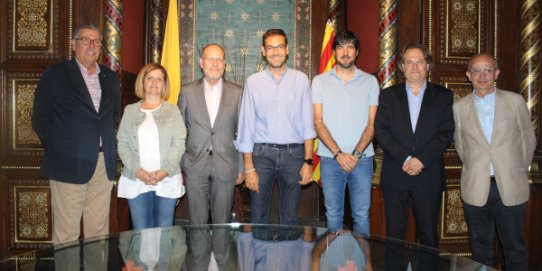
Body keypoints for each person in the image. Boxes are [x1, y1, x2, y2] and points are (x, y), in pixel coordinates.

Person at [32, 24, 120, 245]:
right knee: (66, 236)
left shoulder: (110, 77)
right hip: (68, 163)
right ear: (74, 45)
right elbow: (40, 119)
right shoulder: (56, 75)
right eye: (85, 40)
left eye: (97, 41)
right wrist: (61, 148)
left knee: (98, 234)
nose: (91, 45)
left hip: (103, 163)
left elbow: (112, 116)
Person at [453, 54, 536, 270]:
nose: (483, 75)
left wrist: (515, 169)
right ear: (468, 75)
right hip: (476, 187)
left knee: (514, 247)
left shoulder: (515, 101)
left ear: (496, 73)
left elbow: (528, 140)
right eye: (477, 71)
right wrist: (477, 167)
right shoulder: (460, 107)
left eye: (488, 70)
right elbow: (461, 146)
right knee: (479, 248)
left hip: (510, 184)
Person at [374, 44, 454, 250]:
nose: (415, 66)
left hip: (428, 174)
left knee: (428, 235)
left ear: (427, 65)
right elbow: (381, 131)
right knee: (394, 235)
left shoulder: (443, 96)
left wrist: (421, 160)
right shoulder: (388, 96)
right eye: (409, 62)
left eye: (420, 61)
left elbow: (446, 133)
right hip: (396, 173)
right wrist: (407, 159)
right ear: (402, 66)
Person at [236, 29, 316, 225]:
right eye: (270, 47)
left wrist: (308, 161)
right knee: (258, 216)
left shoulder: (301, 80)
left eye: (279, 47)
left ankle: (288, 256)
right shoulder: (253, 82)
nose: (275, 52)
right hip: (262, 155)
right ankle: (259, 256)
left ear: (287, 50)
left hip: (294, 155)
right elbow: (246, 126)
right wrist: (248, 168)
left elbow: (308, 123)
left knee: (290, 218)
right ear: (263, 51)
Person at [178, 43, 243, 270]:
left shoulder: (237, 92)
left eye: (219, 59)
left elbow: (243, 132)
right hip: (195, 165)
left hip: (226, 165)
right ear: (201, 63)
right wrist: (181, 163)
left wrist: (242, 167)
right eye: (210, 59)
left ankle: (223, 264)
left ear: (225, 64)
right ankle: (198, 265)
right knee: (197, 222)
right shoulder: (187, 91)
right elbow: (179, 130)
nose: (215, 63)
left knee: (222, 222)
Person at [312, 31, 379, 238]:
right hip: (331, 160)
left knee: (361, 216)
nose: (345, 52)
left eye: (350, 47)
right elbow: (318, 121)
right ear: (333, 52)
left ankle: (361, 264)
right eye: (340, 47)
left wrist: (356, 154)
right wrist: (339, 154)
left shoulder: (370, 82)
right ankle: (334, 264)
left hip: (362, 161)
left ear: (357, 52)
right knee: (333, 217)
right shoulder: (320, 81)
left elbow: (372, 124)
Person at [117, 63, 187, 230]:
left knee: (164, 231)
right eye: (150, 78)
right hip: (137, 180)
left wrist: (164, 171)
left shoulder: (173, 111)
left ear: (164, 85)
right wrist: (138, 171)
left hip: (166, 179)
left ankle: (163, 258)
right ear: (142, 81)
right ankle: (142, 258)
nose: (154, 83)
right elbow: (123, 144)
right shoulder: (130, 111)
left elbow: (179, 143)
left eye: (159, 79)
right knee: (141, 231)